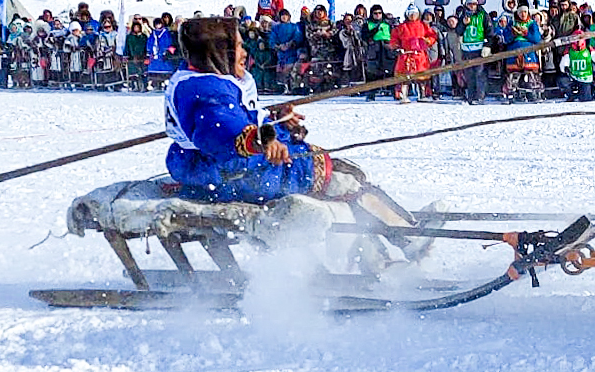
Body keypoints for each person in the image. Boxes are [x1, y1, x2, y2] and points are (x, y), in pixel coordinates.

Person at [159, 17, 416, 231]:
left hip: (230, 167)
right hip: (238, 172)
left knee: (342, 172)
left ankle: (380, 252)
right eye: (238, 47)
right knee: (344, 179)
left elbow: (239, 117)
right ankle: (405, 235)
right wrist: (260, 140)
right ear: (217, 52)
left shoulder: (202, 79)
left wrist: (276, 121)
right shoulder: (204, 89)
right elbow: (218, 129)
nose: (244, 53)